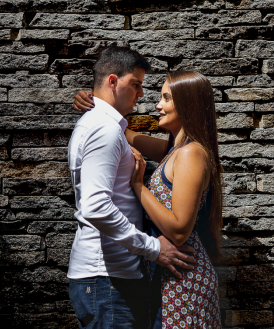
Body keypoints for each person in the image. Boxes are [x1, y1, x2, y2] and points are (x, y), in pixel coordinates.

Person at [73, 71, 223, 329]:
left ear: (188, 105)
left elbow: (178, 230)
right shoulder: (172, 151)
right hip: (170, 278)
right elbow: (123, 132)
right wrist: (95, 102)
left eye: (166, 98)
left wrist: (138, 185)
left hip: (184, 280)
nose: (157, 105)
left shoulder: (191, 154)